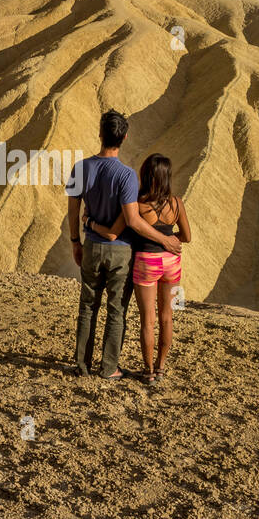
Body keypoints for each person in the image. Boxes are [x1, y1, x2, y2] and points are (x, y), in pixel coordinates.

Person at [66, 112, 181, 380]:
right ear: (125, 137)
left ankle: (82, 366)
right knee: (116, 309)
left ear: (100, 133)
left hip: (92, 247)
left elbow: (73, 209)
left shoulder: (79, 168)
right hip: (121, 252)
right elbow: (132, 220)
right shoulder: (127, 175)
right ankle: (109, 368)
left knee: (87, 306)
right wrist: (165, 239)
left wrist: (76, 241)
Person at [86, 153, 191, 381]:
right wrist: (170, 239)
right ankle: (161, 367)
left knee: (148, 320)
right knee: (167, 317)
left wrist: (90, 223)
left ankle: (148, 371)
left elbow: (112, 232)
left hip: (147, 262)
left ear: (145, 175)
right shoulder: (177, 203)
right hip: (172, 263)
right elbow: (187, 236)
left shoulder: (139, 205)